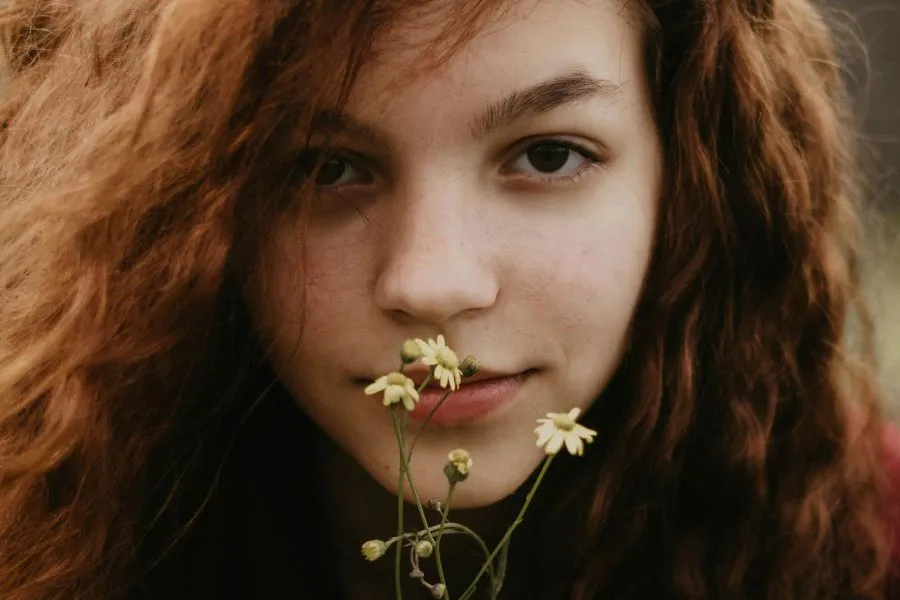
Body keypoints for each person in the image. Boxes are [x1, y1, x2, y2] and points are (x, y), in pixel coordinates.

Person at [0, 0, 897, 598]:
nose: (433, 283)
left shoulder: (875, 538)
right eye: (326, 168)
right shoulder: (43, 535)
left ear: (694, 173)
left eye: (548, 155)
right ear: (177, 205)